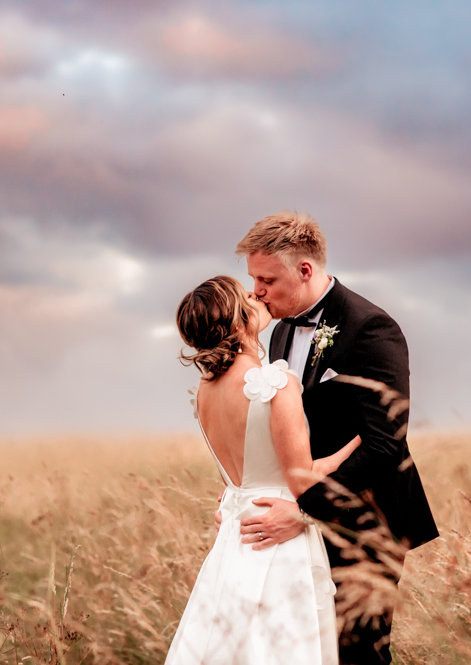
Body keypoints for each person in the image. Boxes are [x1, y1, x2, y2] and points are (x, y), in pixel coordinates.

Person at [233, 211, 439, 664]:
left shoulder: (371, 328)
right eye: (253, 280)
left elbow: (386, 444)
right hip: (301, 517)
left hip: (367, 523)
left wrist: (305, 510)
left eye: (266, 279)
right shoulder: (281, 328)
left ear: (305, 270)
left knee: (358, 654)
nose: (255, 292)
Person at [166, 275, 362, 665]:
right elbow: (301, 479)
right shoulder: (275, 382)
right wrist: (357, 444)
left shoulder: (204, 390)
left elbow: (235, 476)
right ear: (237, 320)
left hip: (237, 536)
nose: (256, 293)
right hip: (277, 534)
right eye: (246, 294)